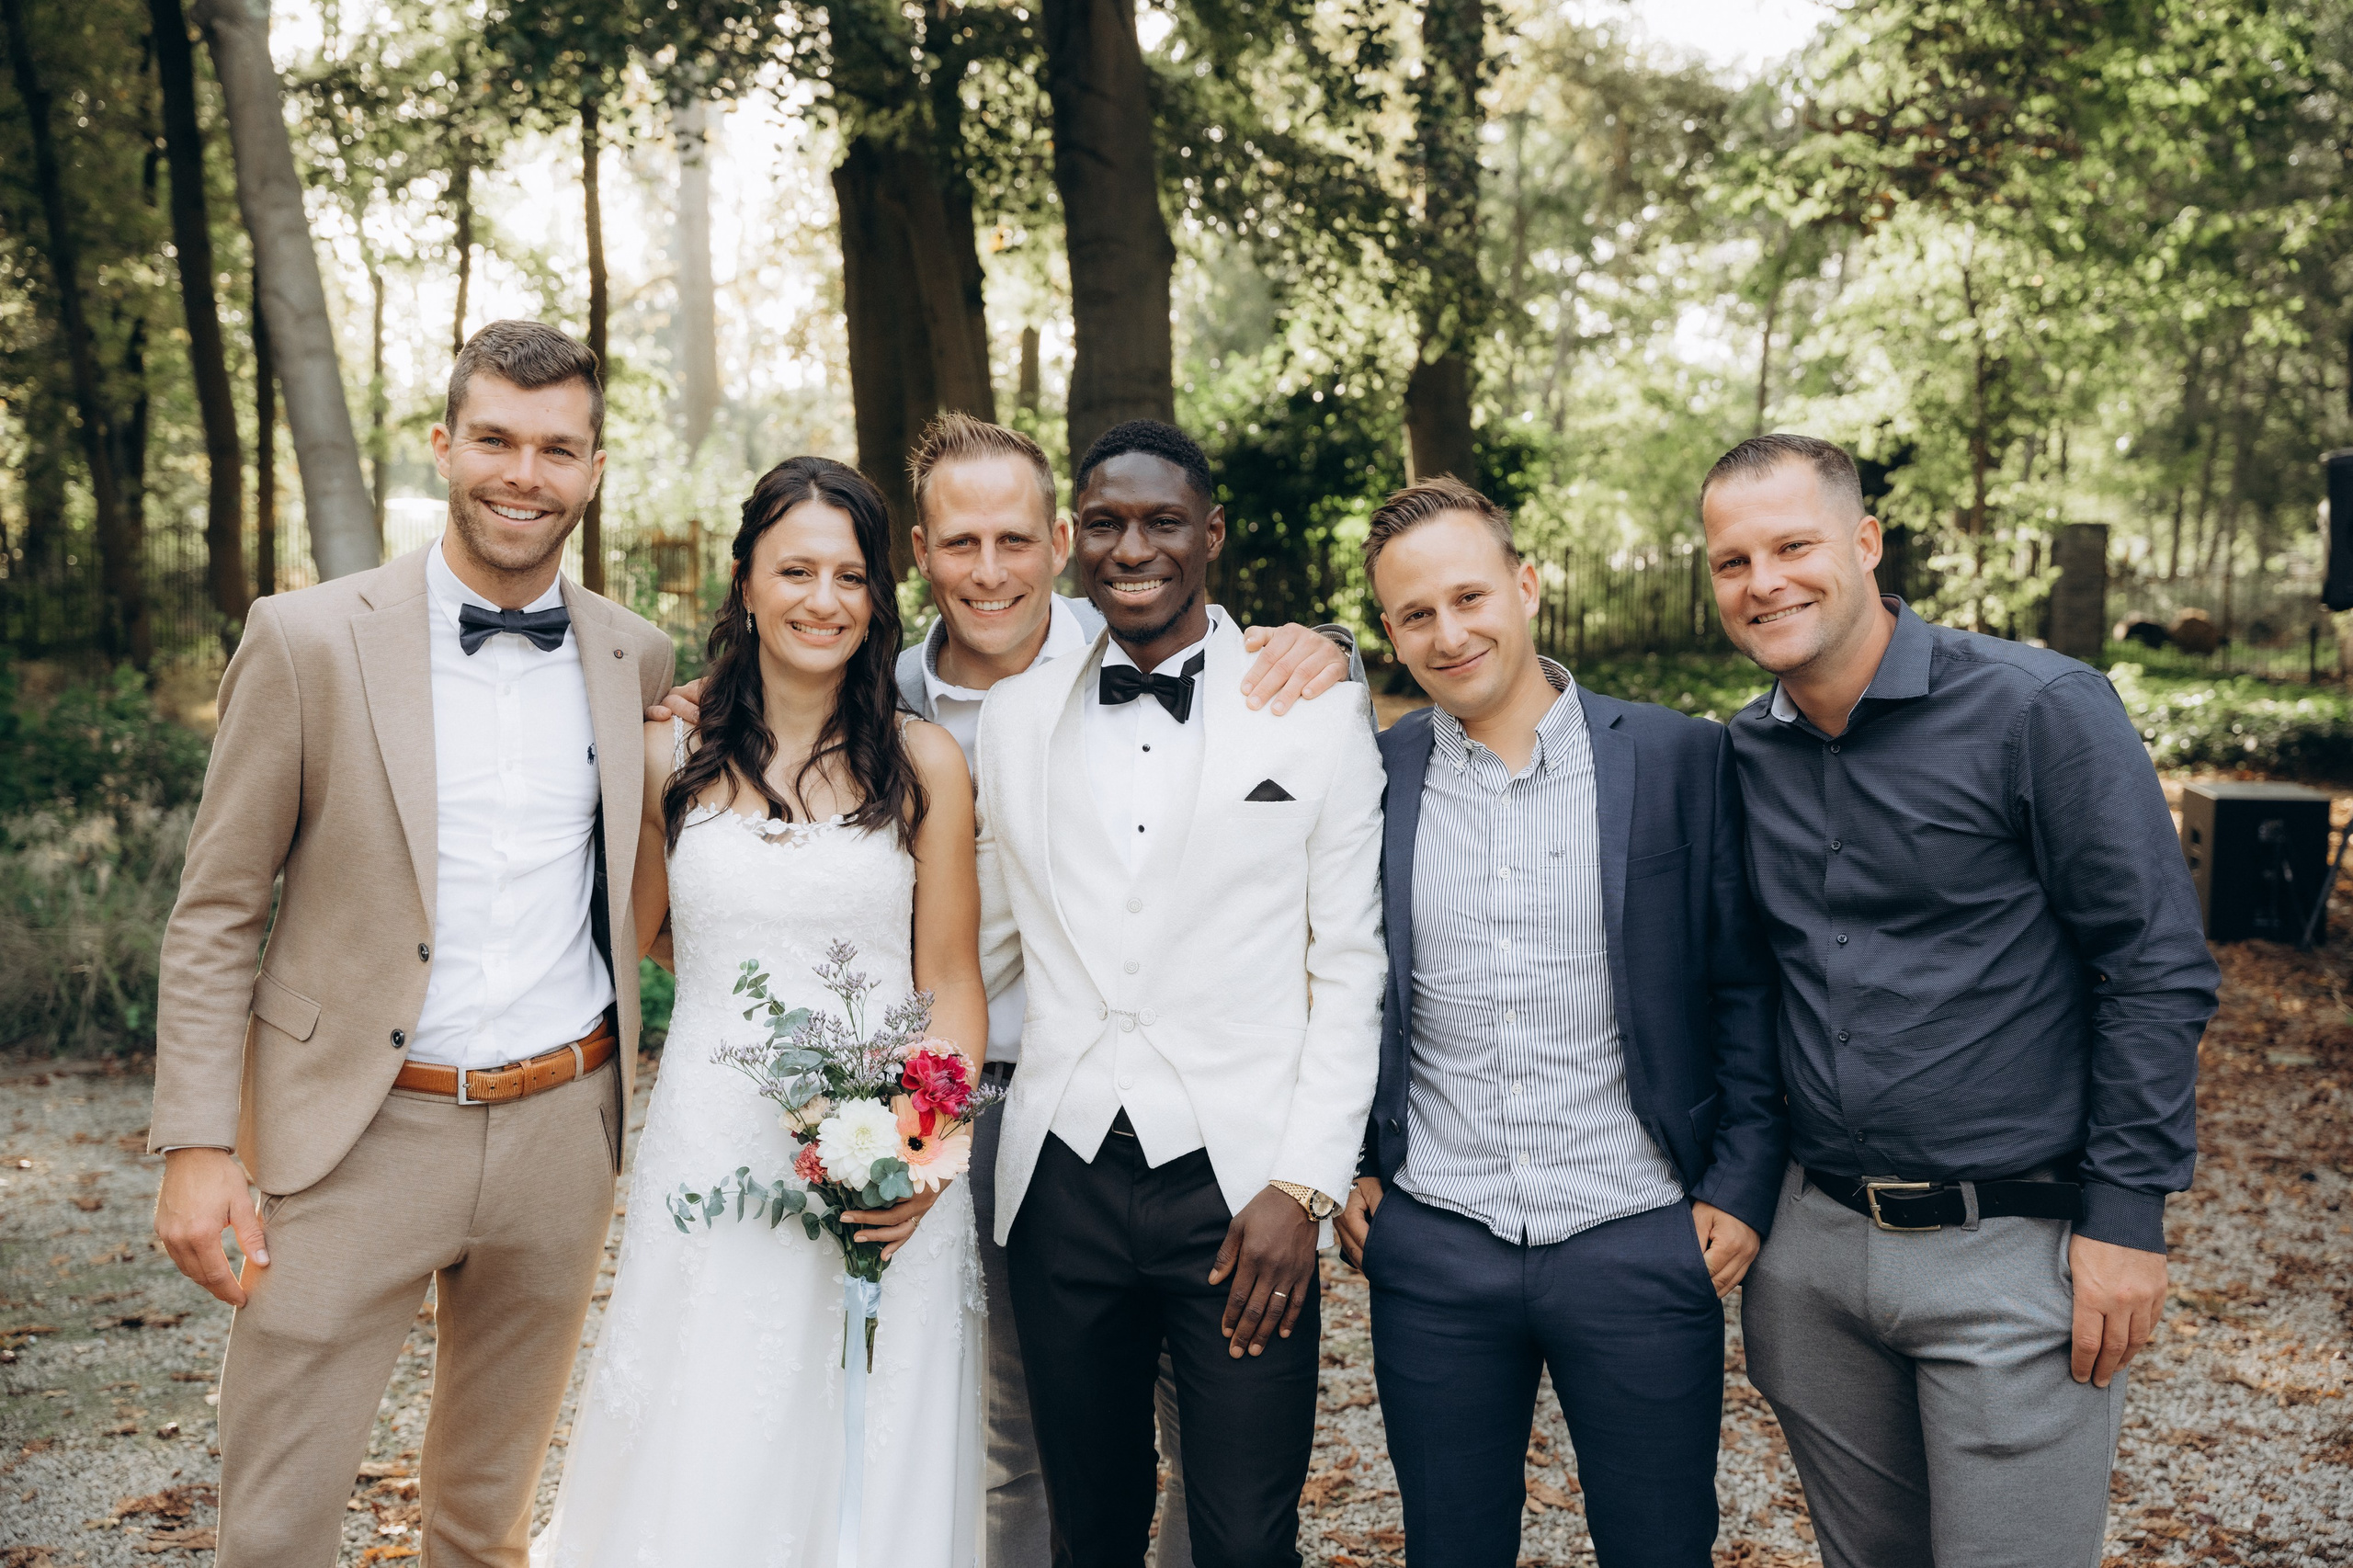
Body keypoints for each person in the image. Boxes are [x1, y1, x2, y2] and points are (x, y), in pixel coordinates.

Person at [650, 410, 1360, 1568]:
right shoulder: (870, 695)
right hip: (953, 1107)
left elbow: (1262, 694)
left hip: (1178, 1114)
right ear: (919, 553)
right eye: (962, 543)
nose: (992, 571)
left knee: (1212, 1441)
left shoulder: (1143, 643)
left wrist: (1331, 639)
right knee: (1017, 1437)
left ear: (1059, 541)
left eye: (1018, 540)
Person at [148, 321, 676, 1565]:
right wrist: (195, 1143)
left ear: (593, 471)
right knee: (274, 1523)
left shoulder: (632, 655)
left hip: (562, 1127)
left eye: (556, 449)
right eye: (494, 438)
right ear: (445, 445)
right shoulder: (307, 638)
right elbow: (216, 908)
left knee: (485, 1522)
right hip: (355, 1134)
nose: (522, 474)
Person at [1700, 434, 2218, 1568]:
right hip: (1816, 1258)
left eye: (1792, 544)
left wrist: (2126, 1215)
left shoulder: (2039, 708)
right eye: (1732, 560)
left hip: (2012, 1251)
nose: (1764, 580)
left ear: (1866, 543)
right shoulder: (1741, 753)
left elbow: (2152, 959)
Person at [535, 455, 988, 1565]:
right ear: (744, 581)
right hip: (712, 1144)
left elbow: (953, 979)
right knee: (708, 1420)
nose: (822, 598)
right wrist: (749, 1016)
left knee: (864, 1427)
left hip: (884, 1156)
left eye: (849, 575)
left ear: (879, 598)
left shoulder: (925, 762)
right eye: (795, 569)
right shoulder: (665, 753)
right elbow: (639, 927)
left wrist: (924, 1147)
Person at [1332, 478, 1783, 1568]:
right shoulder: (1365, 779)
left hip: (1636, 1229)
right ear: (1387, 632)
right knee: (1449, 1546)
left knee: (1661, 1545)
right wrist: (1346, 1162)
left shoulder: (1680, 759)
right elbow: (1333, 979)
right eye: (1414, 614)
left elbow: (1746, 985)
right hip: (1436, 1237)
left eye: (1469, 596)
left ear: (1525, 586)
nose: (1449, 633)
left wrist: (1739, 1181)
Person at [974, 419, 1385, 1568]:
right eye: (1104, 523)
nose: (1132, 547)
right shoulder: (1014, 717)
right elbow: (982, 944)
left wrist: (1301, 1186)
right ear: (1072, 540)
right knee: (1088, 1525)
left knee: (1247, 1535)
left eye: (1162, 521)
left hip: (1243, 1189)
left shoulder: (1314, 710)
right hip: (1060, 1182)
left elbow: (1350, 966)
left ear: (1210, 533)